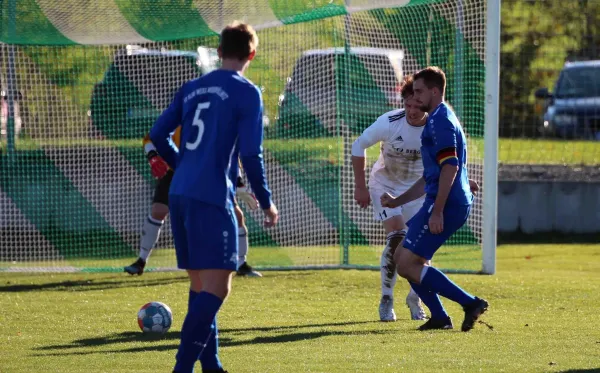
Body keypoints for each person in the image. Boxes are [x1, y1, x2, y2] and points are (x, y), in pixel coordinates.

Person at [149, 21, 279, 372]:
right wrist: (265, 201)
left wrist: (182, 163)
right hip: (209, 195)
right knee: (219, 286)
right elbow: (251, 154)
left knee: (201, 284)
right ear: (252, 53)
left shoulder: (191, 87)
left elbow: (158, 133)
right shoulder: (247, 92)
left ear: (219, 51)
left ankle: (213, 366)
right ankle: (182, 368)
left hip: (179, 192)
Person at [380, 66, 487, 332]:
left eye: (419, 92)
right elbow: (439, 172)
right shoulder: (439, 116)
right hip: (444, 199)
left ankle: (469, 303)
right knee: (405, 257)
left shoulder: (440, 120)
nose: (414, 98)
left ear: (434, 91)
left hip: (445, 204)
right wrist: (398, 201)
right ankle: (439, 316)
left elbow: (450, 166)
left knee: (407, 262)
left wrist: (437, 210)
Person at [124, 129, 263, 278]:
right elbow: (150, 138)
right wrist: (152, 156)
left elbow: (230, 153)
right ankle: (141, 260)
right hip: (175, 170)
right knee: (158, 210)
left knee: (236, 215)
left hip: (208, 172)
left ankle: (241, 264)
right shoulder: (177, 114)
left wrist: (239, 183)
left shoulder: (217, 118)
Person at [351, 75, 428, 322]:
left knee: (422, 248)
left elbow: (454, 155)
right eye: (408, 105)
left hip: (417, 191)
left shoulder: (436, 126)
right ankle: (386, 298)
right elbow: (358, 145)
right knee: (397, 237)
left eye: (418, 106)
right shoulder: (390, 121)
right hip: (383, 186)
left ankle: (415, 297)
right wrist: (360, 186)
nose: (412, 111)